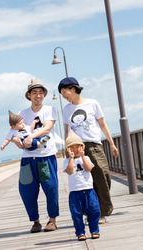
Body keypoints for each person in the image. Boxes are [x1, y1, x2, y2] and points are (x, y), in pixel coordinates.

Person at [58, 77, 119, 224]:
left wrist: (111, 143)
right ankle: (94, 214)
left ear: (73, 89)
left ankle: (102, 209)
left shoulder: (93, 103)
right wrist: (68, 151)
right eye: (61, 93)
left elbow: (103, 124)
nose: (63, 96)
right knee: (83, 181)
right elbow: (67, 130)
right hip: (76, 148)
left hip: (94, 145)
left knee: (102, 177)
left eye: (64, 91)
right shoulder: (66, 109)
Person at [11, 78, 59, 233]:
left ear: (44, 95)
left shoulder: (49, 110)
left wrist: (32, 137)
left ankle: (52, 220)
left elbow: (47, 128)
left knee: (51, 188)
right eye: (34, 93)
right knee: (27, 191)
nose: (38, 95)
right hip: (27, 159)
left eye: (40, 92)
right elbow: (15, 133)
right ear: (29, 95)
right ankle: (35, 221)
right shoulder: (22, 113)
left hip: (45, 156)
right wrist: (17, 141)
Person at [63, 129, 101, 241]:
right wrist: (70, 158)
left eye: (77, 147)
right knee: (76, 214)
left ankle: (94, 230)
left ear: (82, 147)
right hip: (75, 192)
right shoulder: (67, 161)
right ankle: (80, 232)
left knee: (94, 210)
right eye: (72, 148)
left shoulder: (86, 158)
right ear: (67, 150)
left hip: (89, 190)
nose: (75, 150)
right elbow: (70, 171)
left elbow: (89, 168)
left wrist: (83, 157)